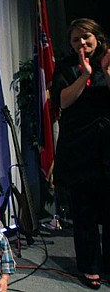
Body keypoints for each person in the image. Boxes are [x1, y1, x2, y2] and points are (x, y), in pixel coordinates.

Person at [51, 18, 110, 290]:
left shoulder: (108, 63)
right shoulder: (65, 67)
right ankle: (89, 266)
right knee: (84, 209)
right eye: (76, 40)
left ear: (97, 37)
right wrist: (85, 75)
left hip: (107, 144)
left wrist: (106, 74)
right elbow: (62, 101)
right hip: (78, 147)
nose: (82, 43)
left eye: (86, 37)